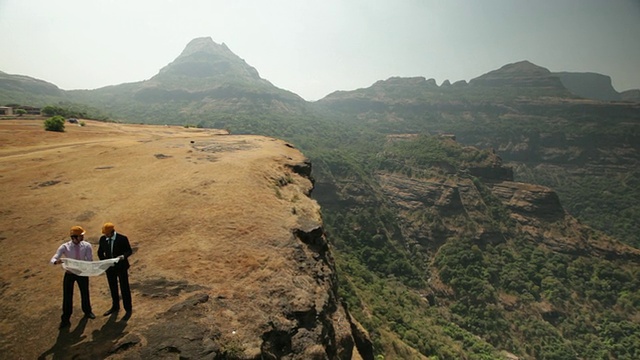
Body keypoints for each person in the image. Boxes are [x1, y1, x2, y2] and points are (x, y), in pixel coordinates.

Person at [50, 226, 96, 329]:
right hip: (70, 274)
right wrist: (56, 262)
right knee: (67, 296)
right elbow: (53, 258)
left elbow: (89, 260)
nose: (82, 237)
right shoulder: (65, 247)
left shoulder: (87, 246)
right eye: (80, 236)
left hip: (82, 273)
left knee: (85, 292)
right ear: (74, 237)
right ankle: (65, 318)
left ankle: (87, 311)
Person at [98, 222, 133, 318]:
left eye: (107, 233)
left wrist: (123, 257)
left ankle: (128, 308)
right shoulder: (103, 239)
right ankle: (115, 306)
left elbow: (129, 251)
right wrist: (104, 261)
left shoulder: (122, 239)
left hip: (121, 266)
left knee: (124, 287)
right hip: (110, 268)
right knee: (113, 287)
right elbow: (100, 252)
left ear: (112, 232)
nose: (105, 235)